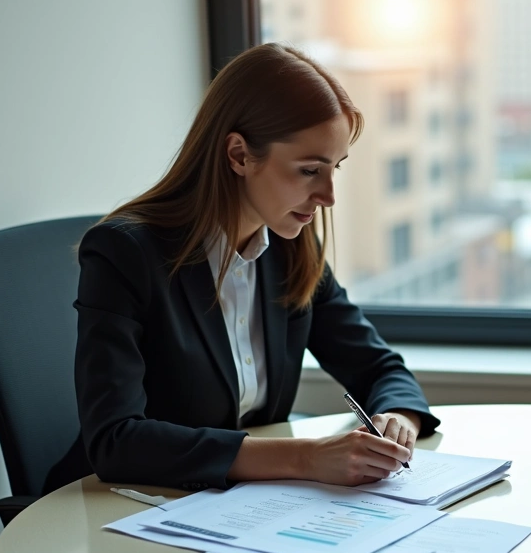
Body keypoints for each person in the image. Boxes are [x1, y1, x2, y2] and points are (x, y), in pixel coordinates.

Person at [72, 43, 436, 493]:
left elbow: (380, 368)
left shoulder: (290, 248)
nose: (328, 196)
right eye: (309, 171)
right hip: (125, 508)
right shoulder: (124, 253)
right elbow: (115, 441)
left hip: (239, 511)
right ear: (240, 155)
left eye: (335, 168)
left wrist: (398, 418)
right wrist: (306, 457)